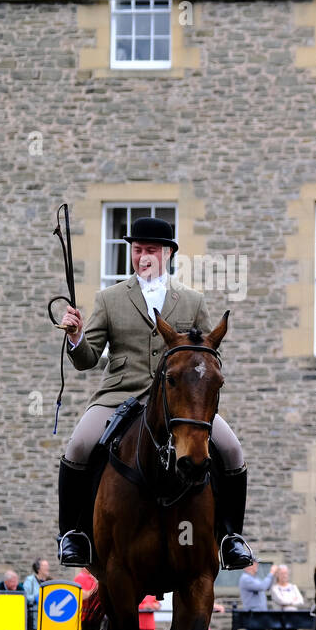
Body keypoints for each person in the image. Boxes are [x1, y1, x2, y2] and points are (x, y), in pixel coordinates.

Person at [55, 216, 253, 570]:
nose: (142, 256)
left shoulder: (191, 301)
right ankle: (74, 535)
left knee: (233, 450)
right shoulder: (110, 298)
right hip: (119, 394)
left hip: (180, 402)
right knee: (79, 445)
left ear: (167, 254)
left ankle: (230, 537)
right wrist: (76, 337)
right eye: (136, 249)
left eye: (149, 250)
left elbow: (207, 355)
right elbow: (86, 360)